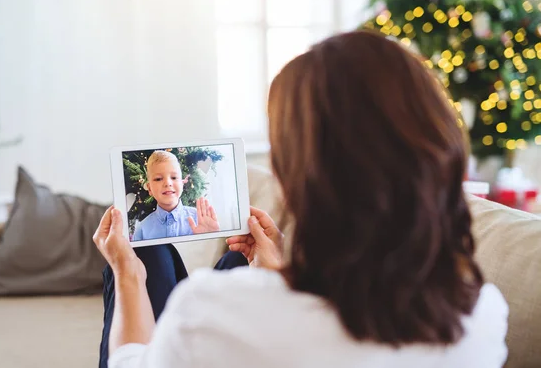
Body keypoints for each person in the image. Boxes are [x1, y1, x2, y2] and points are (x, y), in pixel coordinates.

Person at [95, 30, 508, 368]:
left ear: (293, 175)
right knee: (216, 258)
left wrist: (127, 277)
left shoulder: (207, 311)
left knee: (146, 257)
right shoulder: (482, 311)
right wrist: (279, 272)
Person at [132, 150, 220, 241]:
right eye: (158, 179)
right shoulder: (142, 230)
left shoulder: (200, 219)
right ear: (149, 188)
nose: (168, 183)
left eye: (174, 177)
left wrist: (211, 237)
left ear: (182, 184)